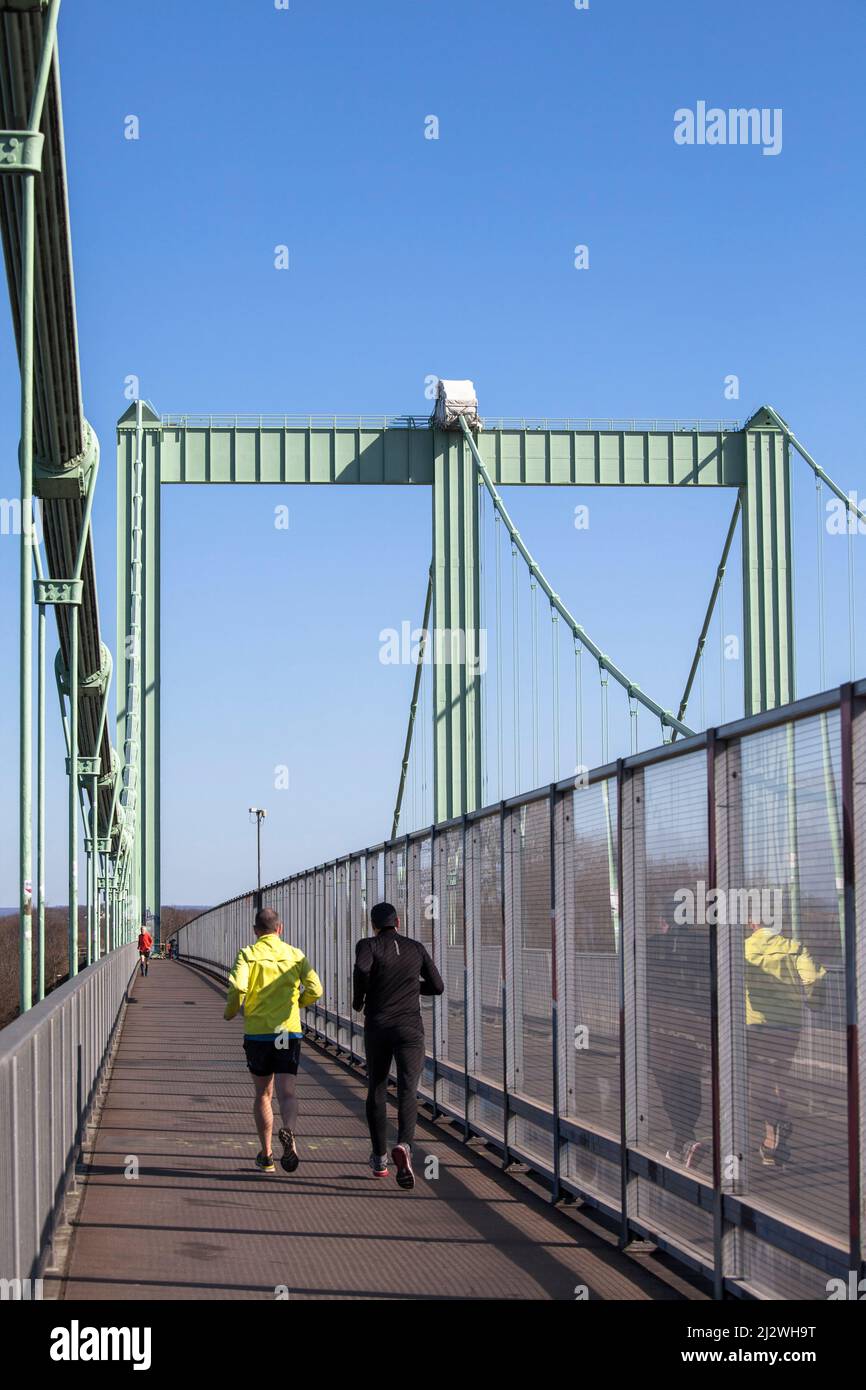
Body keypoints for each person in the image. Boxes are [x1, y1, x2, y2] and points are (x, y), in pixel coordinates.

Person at [353, 901, 444, 1189]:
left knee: (377, 1087)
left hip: (378, 1026)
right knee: (408, 1089)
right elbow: (438, 987)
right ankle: (404, 1145)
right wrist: (411, 986)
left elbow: (361, 969)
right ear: (399, 922)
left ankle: (380, 1158)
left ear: (373, 925)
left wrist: (360, 999)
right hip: (410, 1029)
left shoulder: (367, 945)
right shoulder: (415, 948)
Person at [224, 906, 323, 1174]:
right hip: (286, 1031)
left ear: (256, 931)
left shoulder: (247, 954)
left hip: (258, 1033)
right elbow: (316, 989)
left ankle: (267, 1156)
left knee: (263, 1094)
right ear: (280, 929)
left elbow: (238, 987)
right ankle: (289, 1131)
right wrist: (297, 1004)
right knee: (287, 1092)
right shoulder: (295, 955)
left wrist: (231, 1012)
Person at [745, 915, 826, 1167]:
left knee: (758, 1085)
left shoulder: (744, 949)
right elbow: (813, 978)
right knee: (778, 1076)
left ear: (752, 923)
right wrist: (814, 1003)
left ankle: (773, 1133)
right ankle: (772, 1144)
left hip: (758, 1025)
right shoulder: (795, 947)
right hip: (790, 1026)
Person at [645, 896, 711, 1169]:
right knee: (689, 1077)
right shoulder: (703, 944)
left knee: (666, 1077)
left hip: (661, 1021)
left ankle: (684, 1139)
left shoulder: (651, 945)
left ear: (663, 922)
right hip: (695, 1022)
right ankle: (683, 1140)